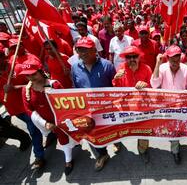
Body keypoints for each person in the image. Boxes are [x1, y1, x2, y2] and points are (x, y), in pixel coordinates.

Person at [21, 58, 74, 175]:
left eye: (33, 74)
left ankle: (68, 160)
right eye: (27, 75)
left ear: (41, 71)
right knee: (50, 134)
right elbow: (29, 110)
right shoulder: (26, 90)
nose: (31, 77)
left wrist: (62, 119)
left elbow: (67, 102)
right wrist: (44, 123)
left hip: (59, 120)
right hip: (43, 122)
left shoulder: (55, 84)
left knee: (64, 139)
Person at [71, 37, 116, 171]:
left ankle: (116, 141)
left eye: (86, 50)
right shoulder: (74, 68)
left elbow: (115, 87)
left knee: (111, 130)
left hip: (107, 108)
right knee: (92, 134)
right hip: (87, 110)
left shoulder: (107, 65)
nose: (83, 53)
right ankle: (102, 155)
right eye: (79, 50)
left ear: (94, 50)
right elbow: (75, 87)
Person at [2, 39, 45, 170]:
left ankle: (39, 157)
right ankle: (50, 135)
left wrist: (14, 87)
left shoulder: (17, 66)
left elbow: (32, 84)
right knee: (37, 126)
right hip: (13, 109)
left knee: (33, 130)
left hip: (26, 105)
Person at [150, 45, 187, 164]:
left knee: (175, 129)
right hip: (165, 106)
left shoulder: (186, 69)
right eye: (172, 59)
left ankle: (175, 150)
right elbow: (154, 84)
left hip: (179, 106)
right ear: (167, 58)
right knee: (168, 128)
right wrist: (157, 64)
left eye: (177, 59)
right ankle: (173, 140)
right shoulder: (162, 68)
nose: (175, 62)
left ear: (181, 58)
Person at [113, 46, 152, 163]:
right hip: (126, 108)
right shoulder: (121, 68)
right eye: (128, 57)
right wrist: (115, 79)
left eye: (134, 56)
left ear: (139, 57)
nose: (131, 59)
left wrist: (146, 84)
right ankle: (117, 143)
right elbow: (116, 89)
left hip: (142, 107)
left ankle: (143, 150)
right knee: (118, 128)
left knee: (143, 130)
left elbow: (153, 86)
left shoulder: (147, 68)